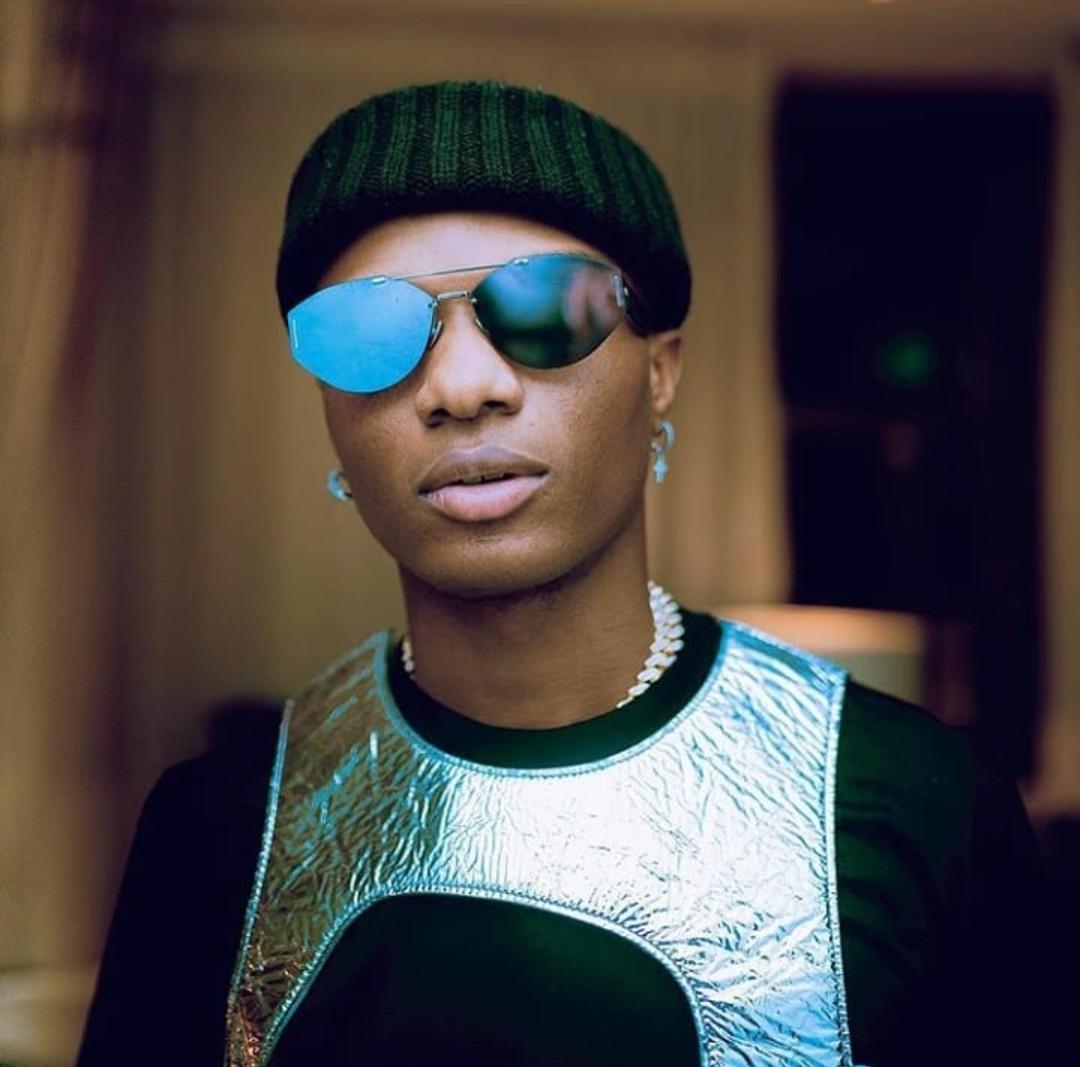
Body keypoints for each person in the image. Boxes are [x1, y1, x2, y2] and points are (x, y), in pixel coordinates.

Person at [77, 80, 1052, 1067]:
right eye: (368, 333)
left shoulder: (919, 805)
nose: (463, 386)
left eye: (545, 308)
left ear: (660, 371)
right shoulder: (216, 829)